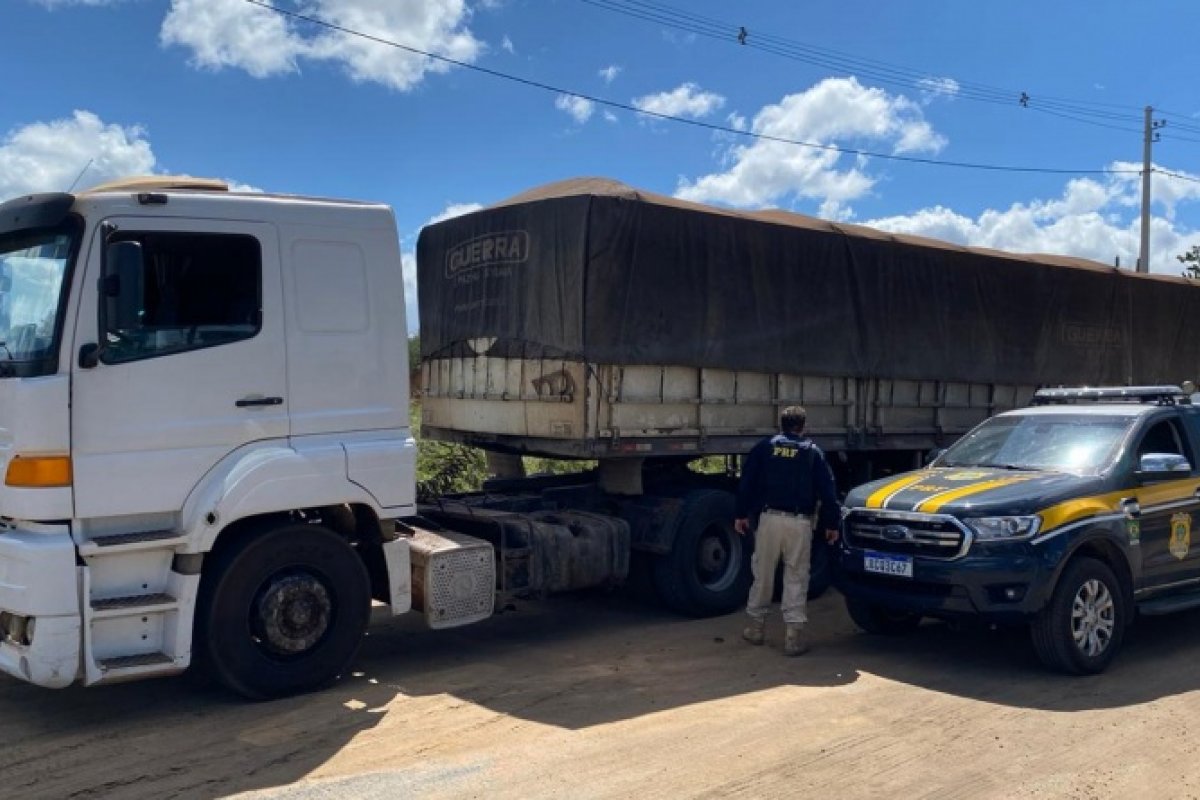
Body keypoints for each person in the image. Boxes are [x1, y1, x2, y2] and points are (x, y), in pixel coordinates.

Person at [734, 406, 840, 656]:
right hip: (799, 523)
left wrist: (740, 513)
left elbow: (746, 481)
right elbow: (828, 492)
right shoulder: (813, 452)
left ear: (781, 425)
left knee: (762, 573)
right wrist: (832, 524)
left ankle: (756, 628)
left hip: (769, 519)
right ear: (803, 426)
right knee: (796, 576)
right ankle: (792, 637)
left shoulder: (765, 447)